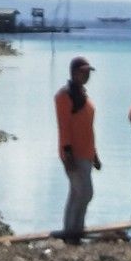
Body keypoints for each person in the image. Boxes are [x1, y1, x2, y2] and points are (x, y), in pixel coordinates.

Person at [53, 55, 100, 244]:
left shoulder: (83, 94)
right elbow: (63, 126)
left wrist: (95, 154)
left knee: (78, 193)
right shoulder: (64, 96)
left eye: (88, 73)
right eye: (83, 72)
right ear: (73, 73)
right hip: (73, 154)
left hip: (87, 153)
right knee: (84, 192)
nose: (86, 76)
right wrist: (68, 154)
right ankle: (71, 232)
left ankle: (75, 231)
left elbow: (88, 127)